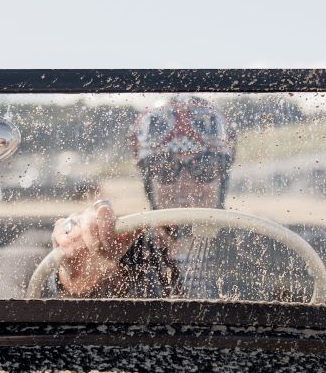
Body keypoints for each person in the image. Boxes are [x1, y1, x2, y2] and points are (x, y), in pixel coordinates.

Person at [49, 96, 241, 298]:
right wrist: (79, 275)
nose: (184, 184)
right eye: (166, 168)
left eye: (204, 168)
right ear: (149, 180)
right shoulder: (122, 251)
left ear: (223, 176)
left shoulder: (261, 250)